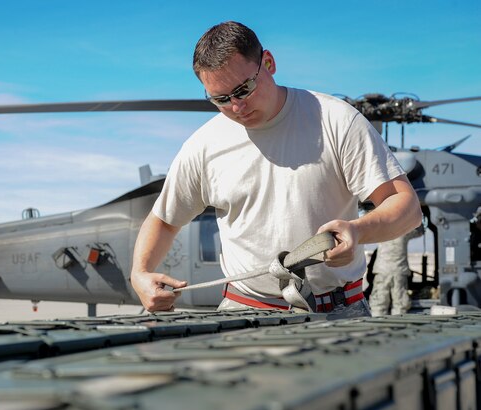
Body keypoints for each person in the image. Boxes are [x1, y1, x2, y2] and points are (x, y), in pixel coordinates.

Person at [130, 21, 422, 319]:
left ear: (268, 63)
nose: (236, 107)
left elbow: (407, 208)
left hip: (338, 313)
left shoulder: (337, 121)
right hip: (243, 314)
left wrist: (358, 231)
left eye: (243, 90)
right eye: (220, 99)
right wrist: (139, 273)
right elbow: (164, 221)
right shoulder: (203, 146)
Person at [369, 226, 425, 316]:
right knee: (400, 304)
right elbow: (420, 232)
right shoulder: (404, 231)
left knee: (379, 303)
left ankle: (377, 326)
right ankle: (398, 327)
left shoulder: (381, 231)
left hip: (382, 271)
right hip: (399, 271)